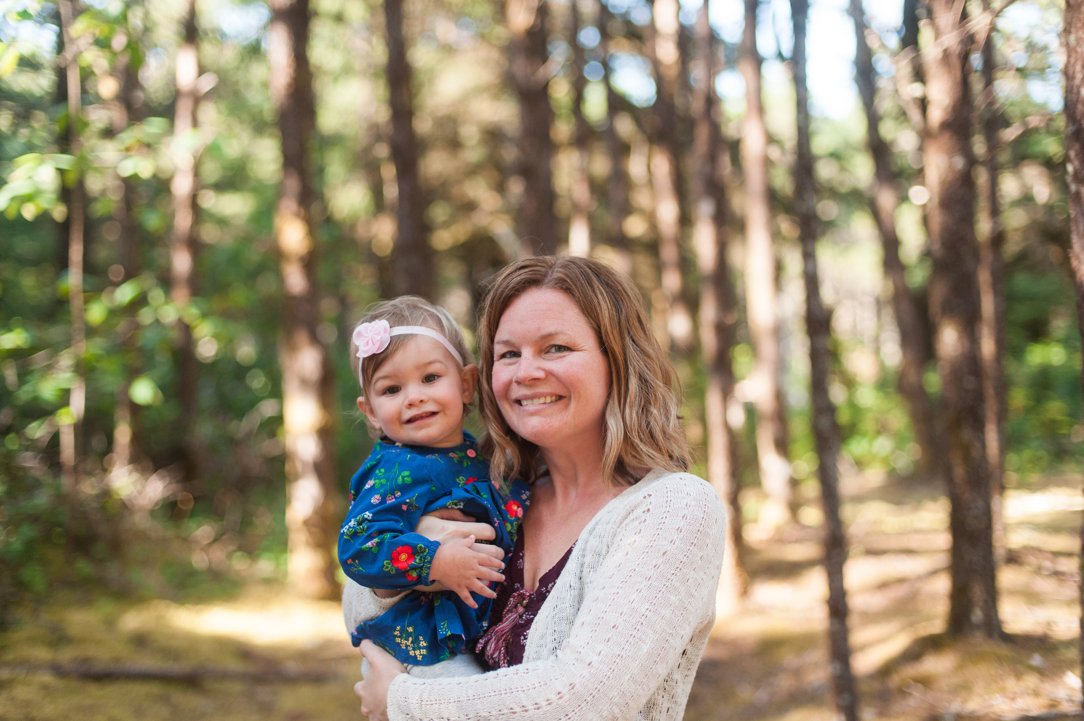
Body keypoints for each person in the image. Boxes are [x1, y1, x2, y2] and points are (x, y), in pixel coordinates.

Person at [351, 256, 727, 721]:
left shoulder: (673, 509)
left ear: (618, 360)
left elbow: (585, 701)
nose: (526, 372)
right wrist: (422, 551)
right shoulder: (499, 494)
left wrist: (402, 701)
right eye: (509, 354)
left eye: (555, 348)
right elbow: (361, 600)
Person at [339, 295, 530, 678]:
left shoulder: (476, 457)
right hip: (420, 645)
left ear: (465, 384)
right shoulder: (394, 471)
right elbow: (360, 545)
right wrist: (436, 560)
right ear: (371, 412)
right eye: (392, 389)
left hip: (469, 636)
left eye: (430, 378)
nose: (415, 397)